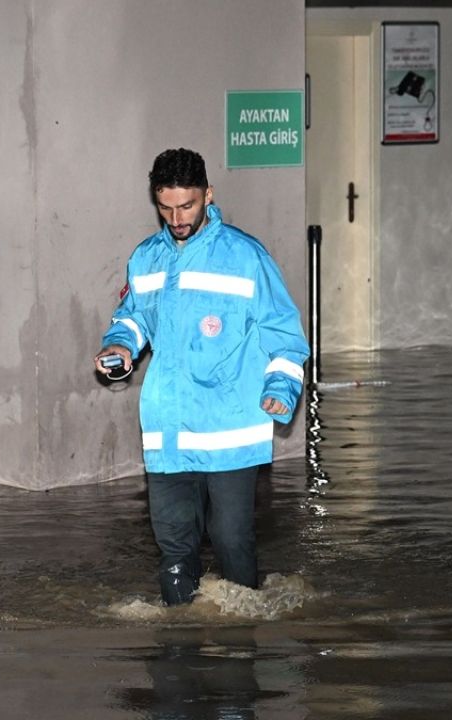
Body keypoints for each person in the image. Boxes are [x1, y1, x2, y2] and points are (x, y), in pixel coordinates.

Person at [93, 148, 309, 606]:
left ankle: (241, 650)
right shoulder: (146, 259)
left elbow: (285, 336)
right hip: (168, 430)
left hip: (230, 429)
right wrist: (120, 346)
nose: (176, 218)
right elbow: (133, 318)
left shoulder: (246, 257)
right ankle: (179, 648)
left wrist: (280, 390)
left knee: (231, 540)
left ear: (208, 195)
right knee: (174, 549)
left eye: (186, 205)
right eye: (165, 207)